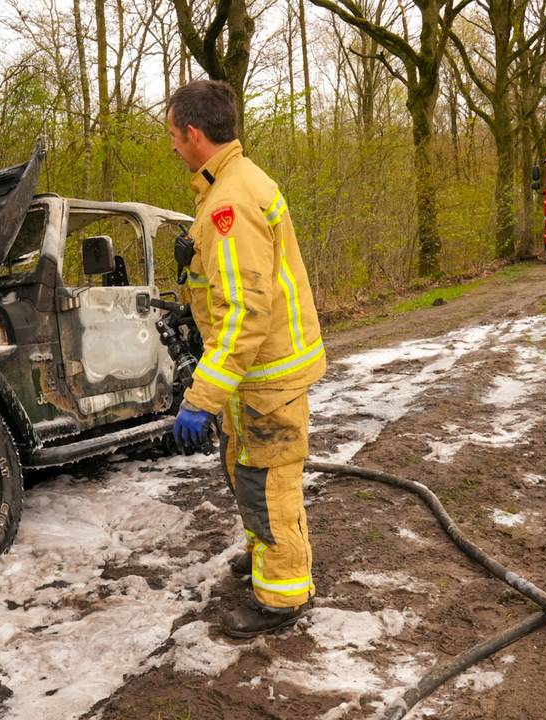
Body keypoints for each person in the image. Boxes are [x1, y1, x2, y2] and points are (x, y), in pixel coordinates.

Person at [165, 80, 326, 638]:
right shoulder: (229, 186)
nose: (172, 147)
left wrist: (201, 398)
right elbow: (228, 287)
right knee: (245, 472)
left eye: (173, 135)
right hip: (253, 375)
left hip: (264, 376)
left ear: (192, 132)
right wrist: (190, 268)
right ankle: (266, 555)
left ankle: (282, 595)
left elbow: (244, 312)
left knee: (267, 482)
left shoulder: (229, 201)